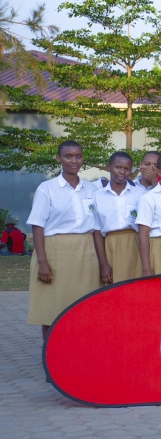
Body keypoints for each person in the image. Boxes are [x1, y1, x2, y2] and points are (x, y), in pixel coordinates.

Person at [27, 141, 100, 338]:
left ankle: (78, 357)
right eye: (68, 156)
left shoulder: (91, 189)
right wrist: (43, 262)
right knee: (52, 308)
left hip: (86, 252)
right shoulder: (47, 188)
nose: (74, 160)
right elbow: (37, 226)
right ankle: (52, 359)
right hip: (55, 252)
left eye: (78, 156)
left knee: (84, 306)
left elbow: (96, 227)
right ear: (59, 158)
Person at [92, 151, 144, 284]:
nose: (122, 172)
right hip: (110, 245)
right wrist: (103, 264)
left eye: (127, 169)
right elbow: (97, 231)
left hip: (136, 243)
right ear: (109, 167)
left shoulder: (140, 194)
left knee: (136, 286)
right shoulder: (97, 195)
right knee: (113, 287)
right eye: (118, 167)